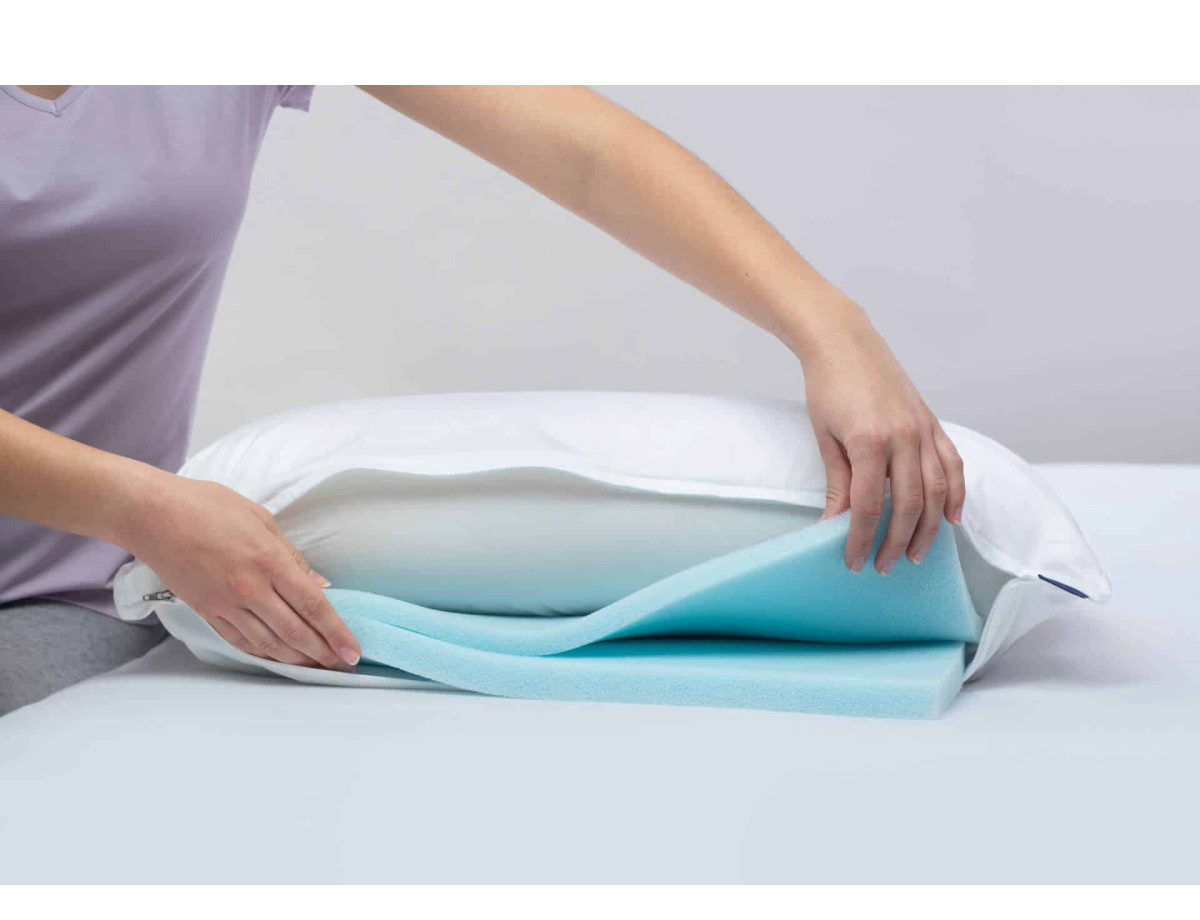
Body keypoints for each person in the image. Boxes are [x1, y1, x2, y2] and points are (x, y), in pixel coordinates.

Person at [0, 85, 965, 716]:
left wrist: (828, 325)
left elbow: (585, 150)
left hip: (67, 592)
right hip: (111, 541)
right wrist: (137, 506)